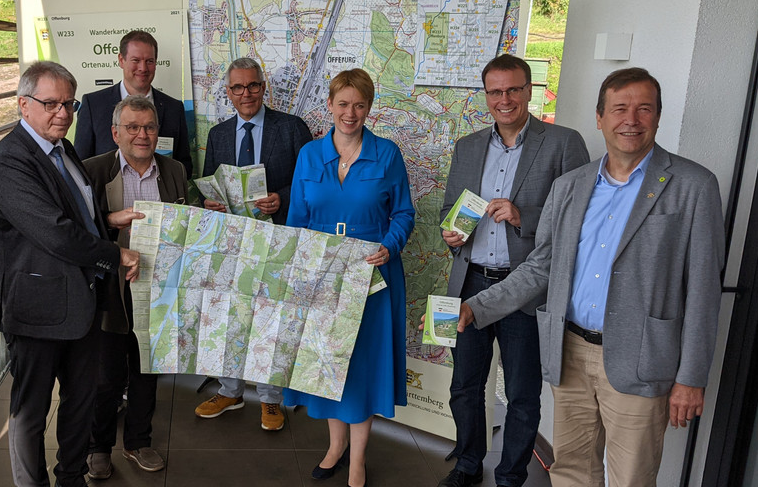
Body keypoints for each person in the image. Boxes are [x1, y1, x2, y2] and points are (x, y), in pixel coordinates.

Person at [456, 68, 724, 487]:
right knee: (571, 471)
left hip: (639, 359)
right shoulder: (570, 186)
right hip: (571, 354)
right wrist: (476, 307)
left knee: (630, 478)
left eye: (643, 109)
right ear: (600, 117)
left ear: (657, 117)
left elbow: (705, 292)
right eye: (619, 109)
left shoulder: (694, 186)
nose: (630, 120)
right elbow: (542, 266)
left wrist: (690, 378)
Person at [0, 61, 140, 487]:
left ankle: (70, 479)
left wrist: (108, 218)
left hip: (83, 303)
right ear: (23, 104)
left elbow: (75, 216)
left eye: (68, 104)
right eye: (50, 103)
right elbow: (53, 233)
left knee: (80, 403)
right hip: (38, 311)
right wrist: (115, 253)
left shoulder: (64, 149)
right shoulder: (10, 160)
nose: (62, 113)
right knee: (30, 412)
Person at [438, 55, 588, 487]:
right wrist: (451, 232)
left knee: (523, 395)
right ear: (486, 95)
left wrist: (525, 217)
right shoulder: (468, 146)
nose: (504, 100)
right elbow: (451, 208)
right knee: (464, 387)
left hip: (526, 291)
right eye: (495, 91)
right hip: (469, 284)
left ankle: (510, 476)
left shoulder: (563, 143)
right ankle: (468, 464)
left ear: (529, 90)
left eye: (513, 90)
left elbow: (579, 218)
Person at [283, 68, 415, 487]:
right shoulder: (308, 155)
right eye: (343, 103)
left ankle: (357, 460)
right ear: (330, 105)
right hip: (322, 279)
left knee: (361, 367)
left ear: (369, 108)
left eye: (359, 104)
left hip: (371, 278)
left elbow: (404, 213)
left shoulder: (388, 154)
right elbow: (297, 220)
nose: (350, 112)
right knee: (326, 364)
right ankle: (335, 447)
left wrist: (390, 245)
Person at [195, 56, 313, 430]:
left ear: (264, 88)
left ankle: (271, 399)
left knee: (271, 319)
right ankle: (230, 390)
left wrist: (282, 197)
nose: (246, 94)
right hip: (233, 243)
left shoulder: (293, 128)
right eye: (237, 87)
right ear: (228, 92)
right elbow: (209, 184)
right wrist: (208, 202)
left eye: (253, 85)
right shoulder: (217, 134)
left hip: (277, 240)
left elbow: (310, 183)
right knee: (231, 317)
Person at [82, 95, 189, 478]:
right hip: (110, 293)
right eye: (133, 127)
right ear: (115, 133)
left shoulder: (174, 170)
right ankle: (98, 447)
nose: (142, 135)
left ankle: (138, 442)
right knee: (106, 376)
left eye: (149, 127)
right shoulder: (91, 171)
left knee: (147, 372)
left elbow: (183, 230)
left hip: (158, 292)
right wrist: (112, 225)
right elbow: (78, 232)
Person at [74, 30, 192, 176]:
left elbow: (184, 166)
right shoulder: (93, 105)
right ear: (121, 60)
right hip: (108, 197)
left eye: (149, 61)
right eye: (136, 60)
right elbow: (80, 165)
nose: (143, 68)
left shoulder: (174, 109)